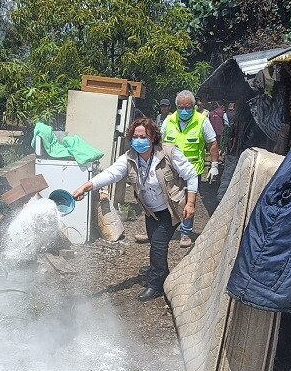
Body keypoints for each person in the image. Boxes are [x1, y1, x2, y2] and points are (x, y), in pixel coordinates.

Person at [72, 117, 198, 301]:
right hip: (150, 210)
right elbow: (111, 174)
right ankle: (162, 272)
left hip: (170, 209)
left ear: (153, 137)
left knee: (158, 245)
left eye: (143, 136)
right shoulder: (130, 158)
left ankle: (155, 285)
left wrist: (191, 203)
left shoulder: (168, 153)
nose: (138, 140)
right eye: (135, 136)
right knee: (157, 246)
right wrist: (86, 186)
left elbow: (191, 174)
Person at [160, 90, 219, 248]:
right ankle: (163, 228)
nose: (184, 111)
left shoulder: (202, 121)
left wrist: (214, 165)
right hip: (171, 168)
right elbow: (158, 140)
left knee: (188, 200)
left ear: (194, 107)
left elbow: (212, 143)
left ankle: (185, 232)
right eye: (181, 107)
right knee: (165, 198)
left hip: (192, 169)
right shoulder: (169, 120)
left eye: (187, 107)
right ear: (176, 106)